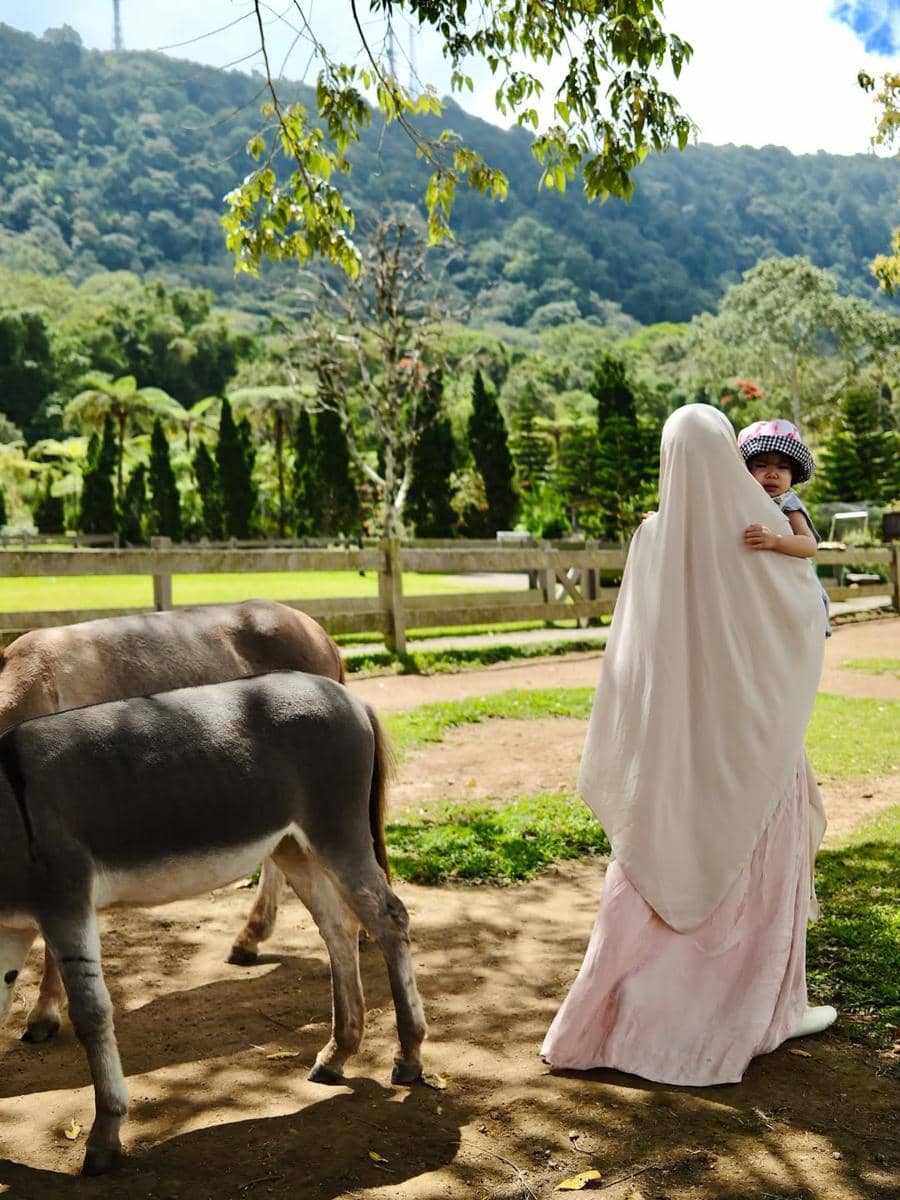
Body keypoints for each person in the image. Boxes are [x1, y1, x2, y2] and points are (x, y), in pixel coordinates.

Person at [540, 404, 836, 1088]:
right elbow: (803, 618)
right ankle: (767, 1006)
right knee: (753, 860)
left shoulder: (654, 534)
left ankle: (612, 1014)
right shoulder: (754, 536)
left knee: (656, 856)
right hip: (753, 739)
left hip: (672, 745)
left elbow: (637, 648)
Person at [737, 418, 831, 635]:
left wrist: (776, 541)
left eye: (782, 467)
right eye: (761, 466)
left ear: (793, 475)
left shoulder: (787, 504)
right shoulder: (741, 502)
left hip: (793, 590)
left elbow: (809, 545)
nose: (772, 473)